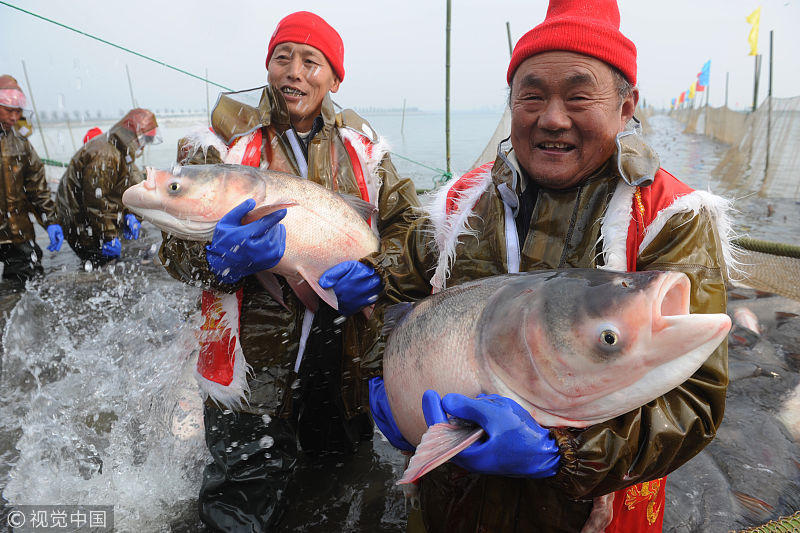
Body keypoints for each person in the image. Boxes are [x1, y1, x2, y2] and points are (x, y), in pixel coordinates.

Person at [367, 0, 731, 531]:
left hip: (592, 513)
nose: (552, 118)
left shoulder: (670, 216)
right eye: (532, 95)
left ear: (626, 107)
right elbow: (396, 290)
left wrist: (568, 451)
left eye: (579, 96)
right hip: (453, 501)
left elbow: (696, 399)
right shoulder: (460, 203)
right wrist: (382, 373)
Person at [159, 11, 419, 531]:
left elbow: (410, 231)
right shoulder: (218, 147)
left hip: (343, 360)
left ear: (334, 78)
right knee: (238, 499)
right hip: (249, 370)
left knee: (338, 487)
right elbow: (173, 249)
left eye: (311, 61)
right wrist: (214, 259)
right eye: (283, 58)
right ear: (267, 66)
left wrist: (378, 273)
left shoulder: (365, 154)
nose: (294, 72)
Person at [55, 108, 157, 266]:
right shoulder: (105, 155)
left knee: (112, 262)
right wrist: (109, 236)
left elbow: (122, 187)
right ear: (134, 136)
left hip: (90, 218)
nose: (144, 147)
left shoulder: (119, 151)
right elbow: (96, 201)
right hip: (80, 220)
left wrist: (130, 214)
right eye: (146, 141)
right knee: (99, 262)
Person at [0, 74, 64, 285]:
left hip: (16, 230)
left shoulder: (21, 143)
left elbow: (37, 188)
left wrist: (50, 220)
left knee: (28, 276)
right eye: (9, 110)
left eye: (18, 111)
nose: (14, 116)